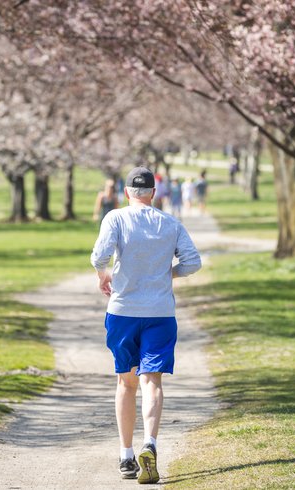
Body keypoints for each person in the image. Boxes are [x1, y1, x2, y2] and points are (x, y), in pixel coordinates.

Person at [90, 166, 201, 484]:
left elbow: (100, 256)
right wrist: (169, 274)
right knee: (152, 382)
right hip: (160, 314)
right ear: (154, 193)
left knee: (126, 383)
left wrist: (104, 275)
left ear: (127, 193)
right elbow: (193, 262)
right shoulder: (171, 223)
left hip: (123, 312)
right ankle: (149, 444)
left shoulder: (116, 218)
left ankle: (126, 457)